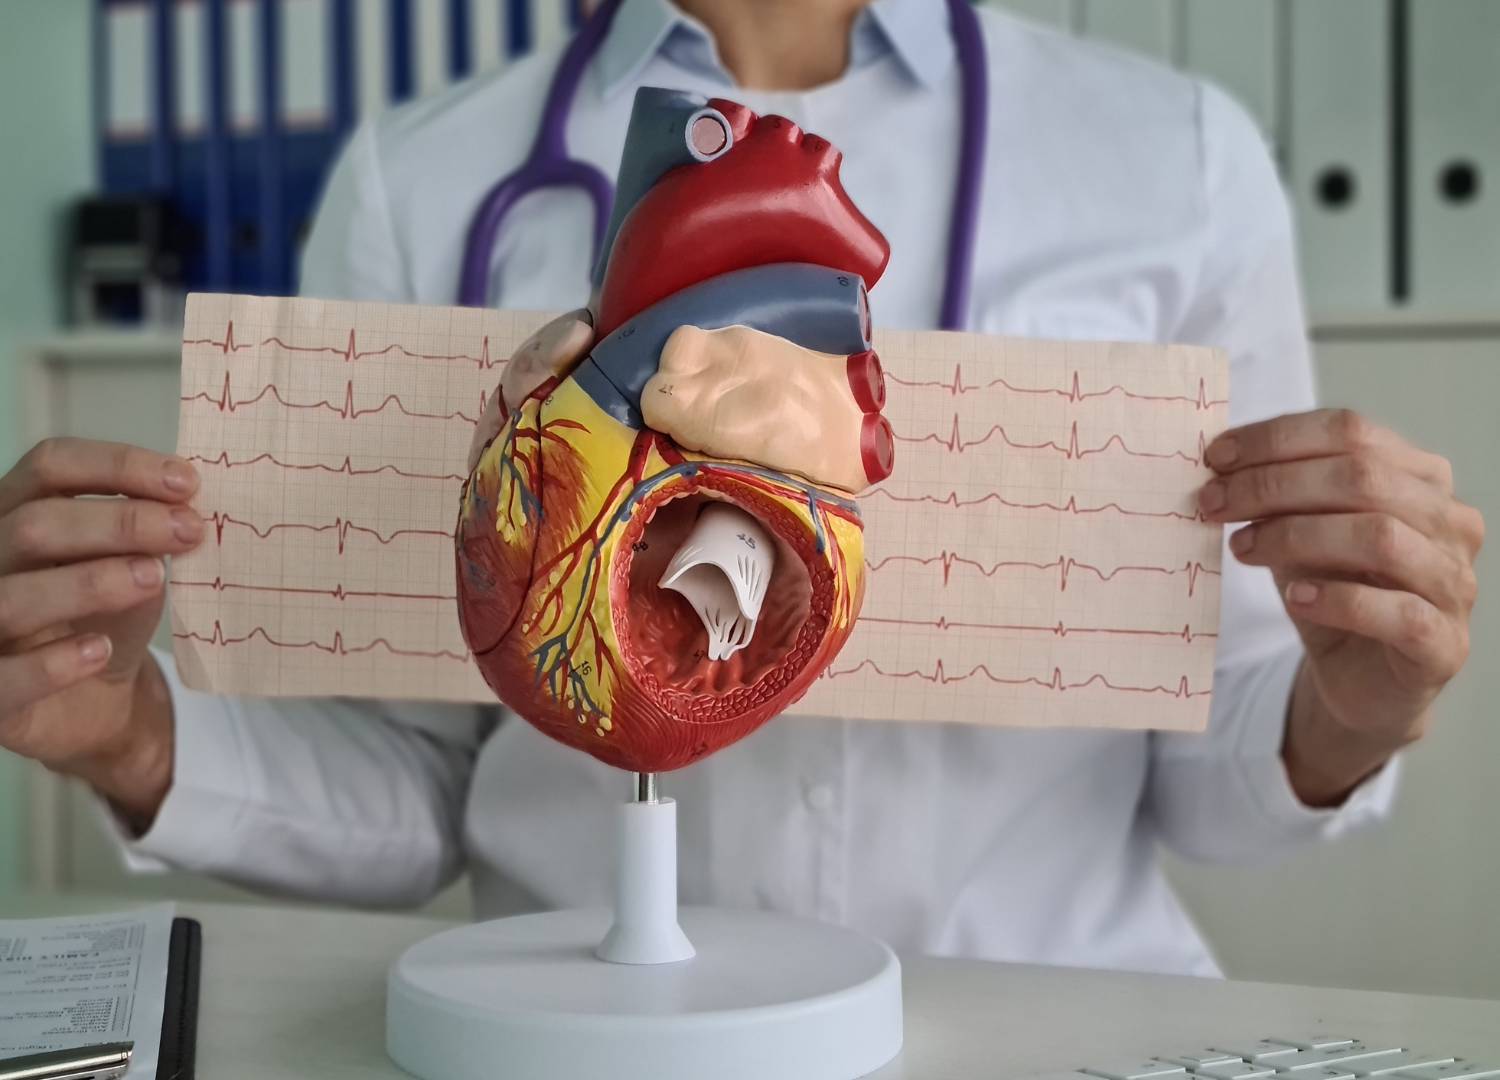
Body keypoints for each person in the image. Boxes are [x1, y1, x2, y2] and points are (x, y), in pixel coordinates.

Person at [0, 0, 1483, 977]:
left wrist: (1341, 713)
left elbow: (1216, 771)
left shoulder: (1174, 162)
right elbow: (418, 786)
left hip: (1045, 1026)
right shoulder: (423, 177)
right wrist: (134, 736)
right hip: (584, 1040)